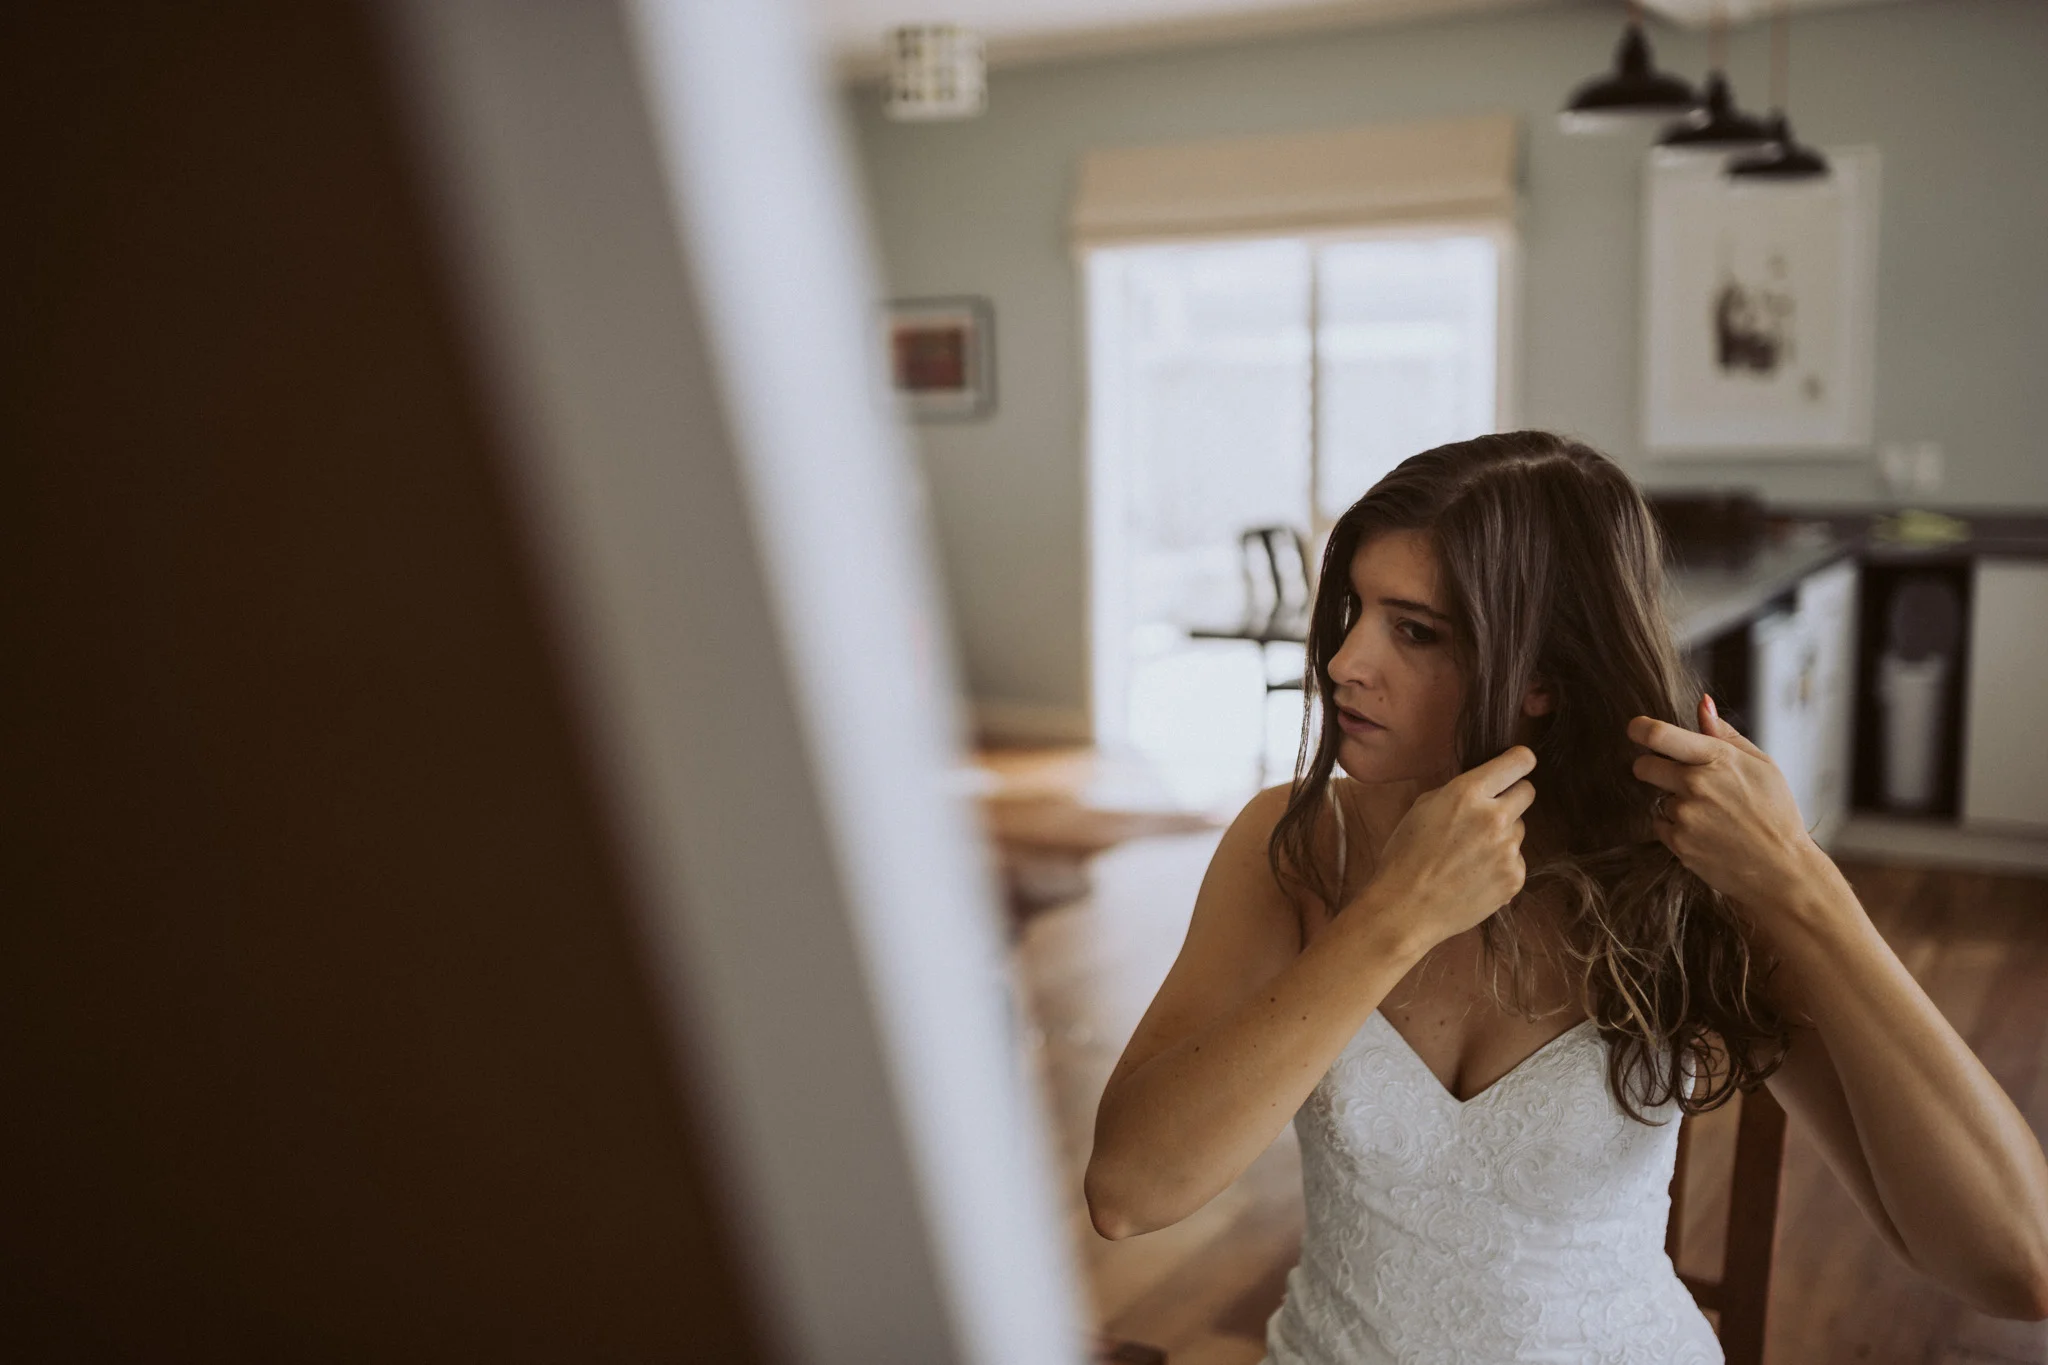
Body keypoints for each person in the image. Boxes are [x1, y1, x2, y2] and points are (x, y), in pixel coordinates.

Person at [1084, 432, 2048, 1363]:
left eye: (1413, 630)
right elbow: (1128, 1191)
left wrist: (1802, 882)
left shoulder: (1683, 880)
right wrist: (1393, 917)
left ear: (1542, 677)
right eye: (1354, 611)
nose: (1344, 661)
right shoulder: (1292, 845)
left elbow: (2018, 1264)